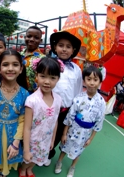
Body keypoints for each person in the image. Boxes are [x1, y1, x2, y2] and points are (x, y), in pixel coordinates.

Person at [0, 49, 29, 177]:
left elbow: (23, 120)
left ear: (21, 68)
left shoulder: (25, 94)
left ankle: (3, 171)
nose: (10, 68)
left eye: (15, 64)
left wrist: (16, 143)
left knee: (8, 153)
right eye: (5, 64)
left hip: (13, 134)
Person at [54, 66, 106, 177]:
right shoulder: (78, 98)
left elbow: (99, 121)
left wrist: (91, 139)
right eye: (89, 79)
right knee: (65, 146)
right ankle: (59, 162)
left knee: (79, 151)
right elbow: (70, 116)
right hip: (73, 129)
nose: (92, 83)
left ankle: (72, 167)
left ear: (100, 82)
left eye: (95, 80)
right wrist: (64, 134)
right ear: (84, 81)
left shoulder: (101, 102)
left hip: (86, 133)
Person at [20, 57, 64, 177]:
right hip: (32, 141)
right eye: (43, 76)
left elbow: (55, 121)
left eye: (52, 78)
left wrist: (52, 139)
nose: (47, 81)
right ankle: (23, 170)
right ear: (37, 76)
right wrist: (26, 150)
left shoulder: (58, 100)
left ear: (58, 79)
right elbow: (27, 128)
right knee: (28, 159)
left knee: (38, 159)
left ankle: (30, 170)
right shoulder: (32, 100)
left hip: (46, 140)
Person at [46, 31, 83, 166]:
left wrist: (74, 111)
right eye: (61, 45)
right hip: (47, 107)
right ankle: (38, 152)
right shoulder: (49, 63)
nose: (64, 49)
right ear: (55, 47)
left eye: (68, 46)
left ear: (73, 50)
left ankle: (49, 154)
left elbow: (78, 91)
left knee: (58, 134)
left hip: (64, 111)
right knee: (43, 131)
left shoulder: (76, 70)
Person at [20, 26, 45, 93]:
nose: (31, 39)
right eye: (29, 36)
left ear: (41, 41)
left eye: (36, 38)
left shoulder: (43, 59)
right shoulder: (18, 55)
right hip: (16, 92)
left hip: (33, 94)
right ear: (25, 37)